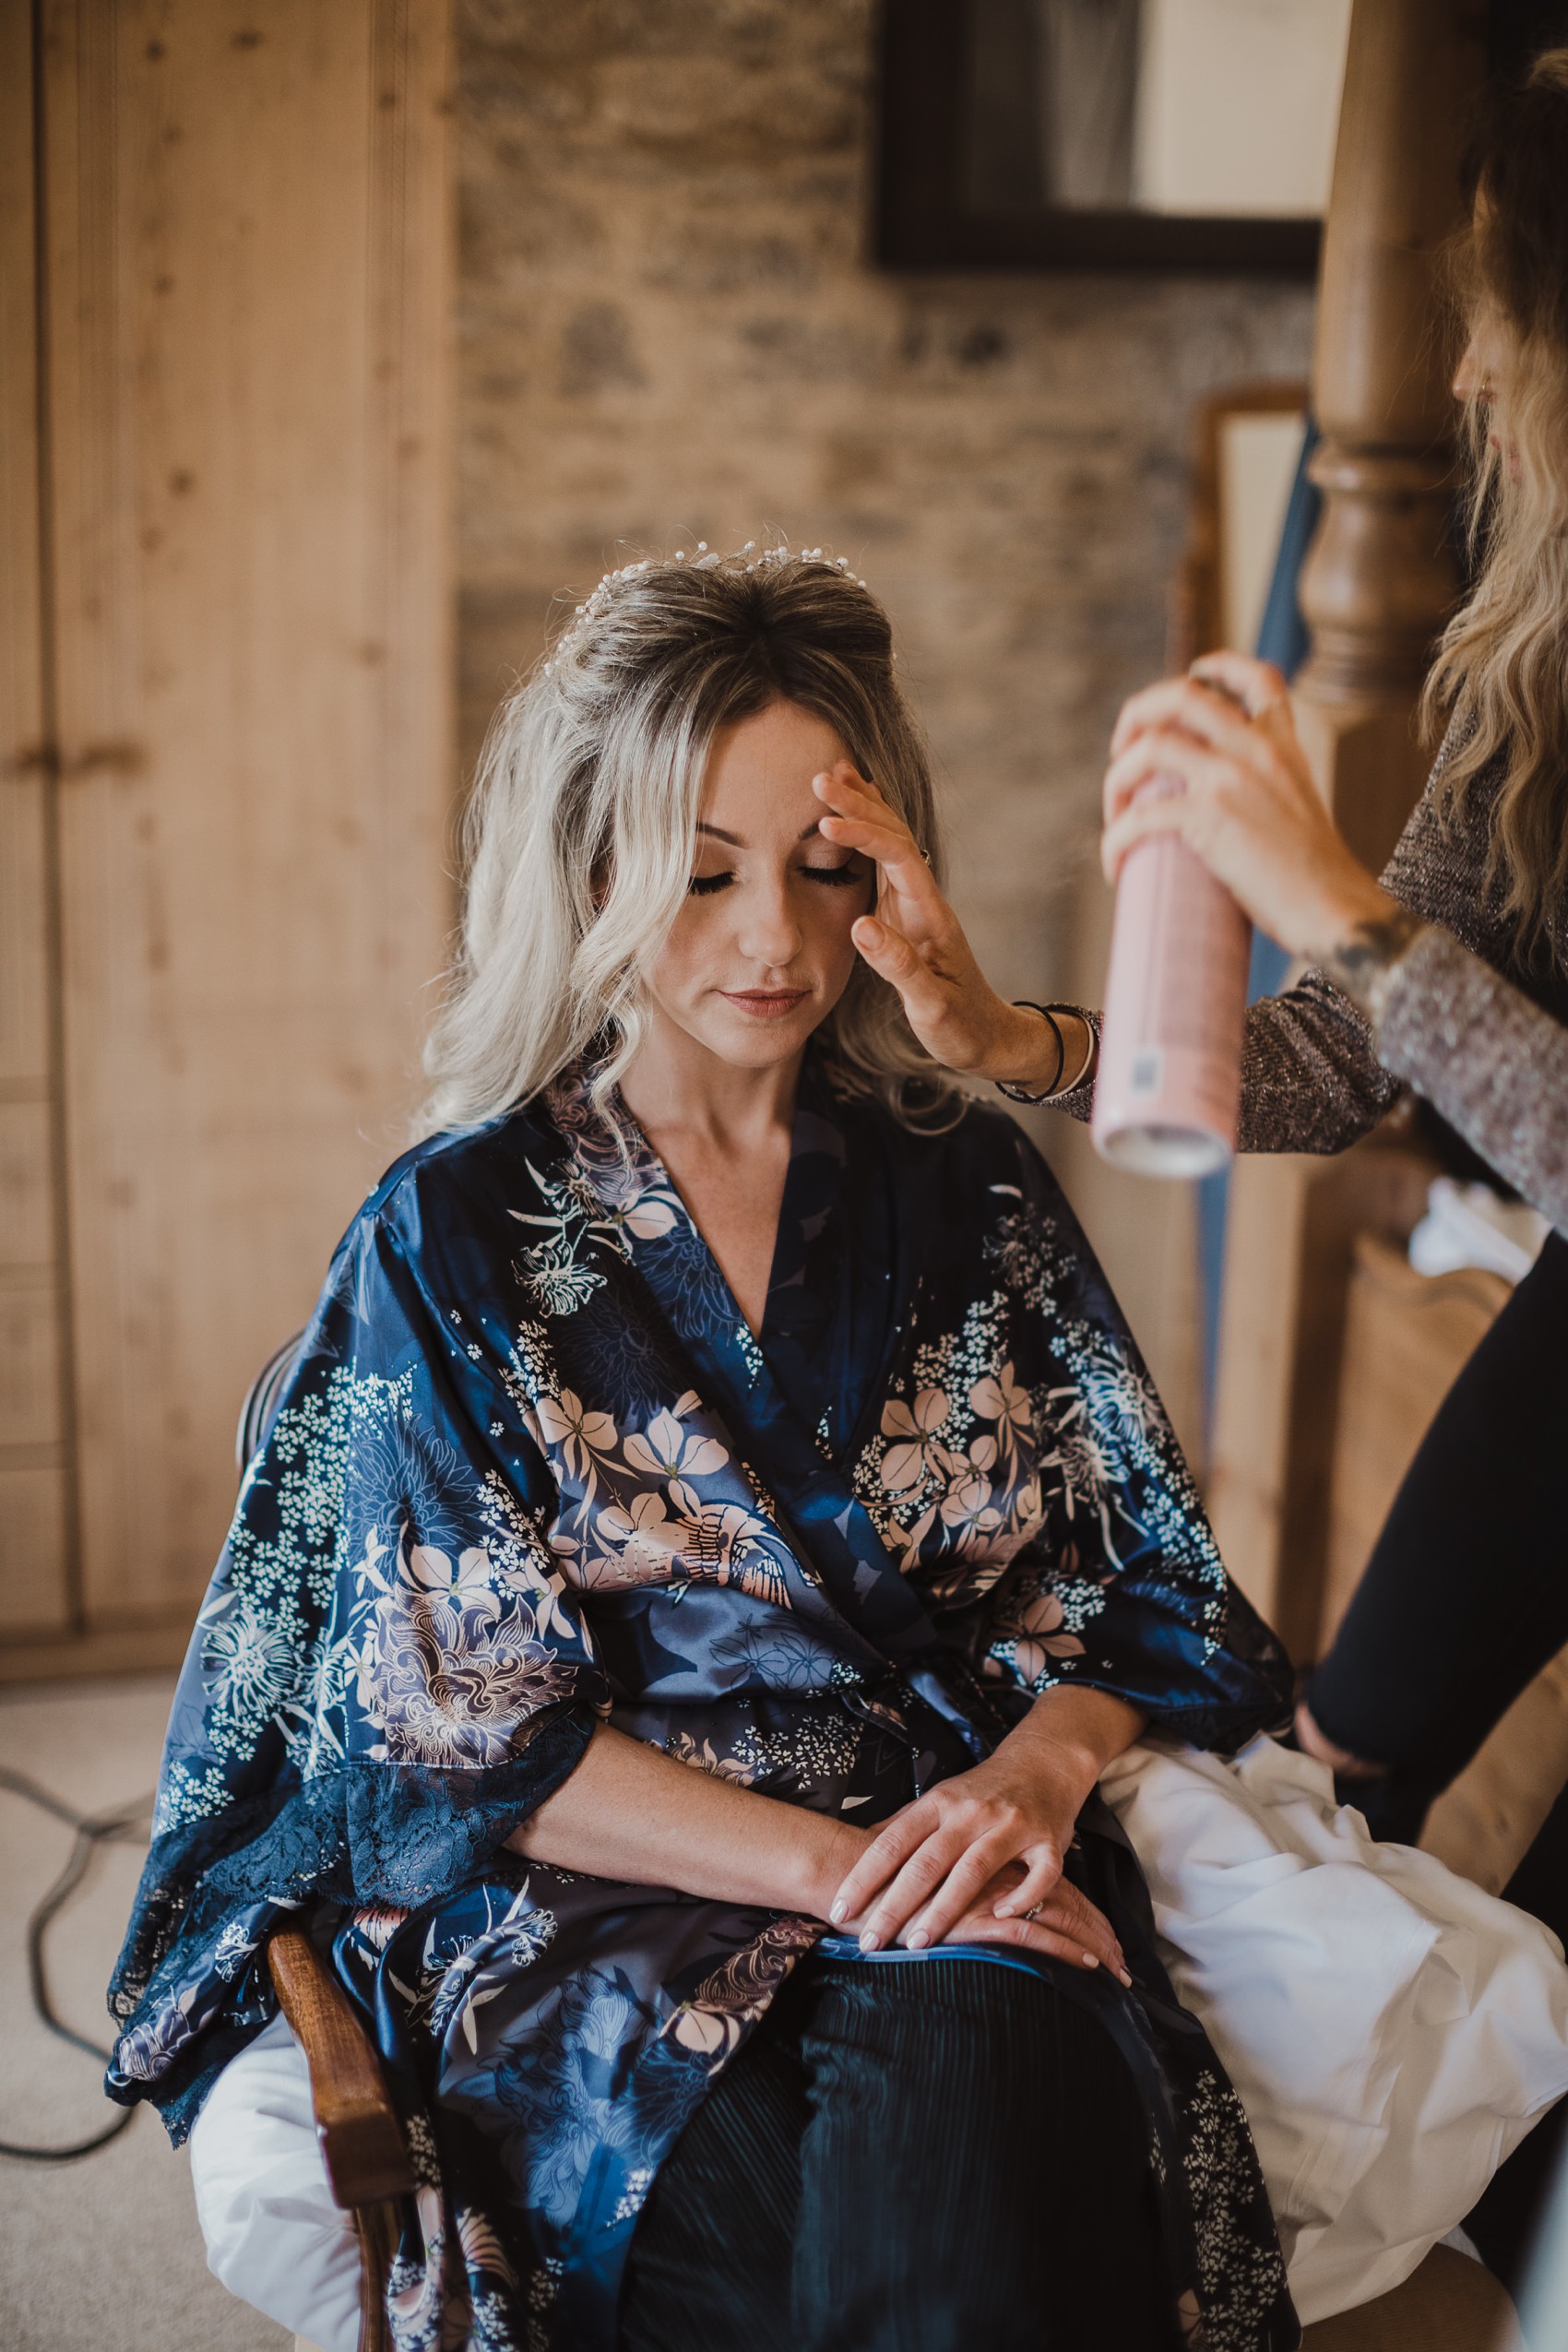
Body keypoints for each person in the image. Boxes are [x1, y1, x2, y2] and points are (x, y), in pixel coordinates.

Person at [106, 550, 1564, 2352]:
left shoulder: (963, 1184)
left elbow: (1149, 1603)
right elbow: (467, 1744)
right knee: (713, 2282)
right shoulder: (459, 1231)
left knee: (974, 2271)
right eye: (701, 872)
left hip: (958, 1859)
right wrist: (825, 1875)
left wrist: (1032, 1787)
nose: (773, 945)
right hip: (601, 1918)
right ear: (588, 866)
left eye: (823, 869)